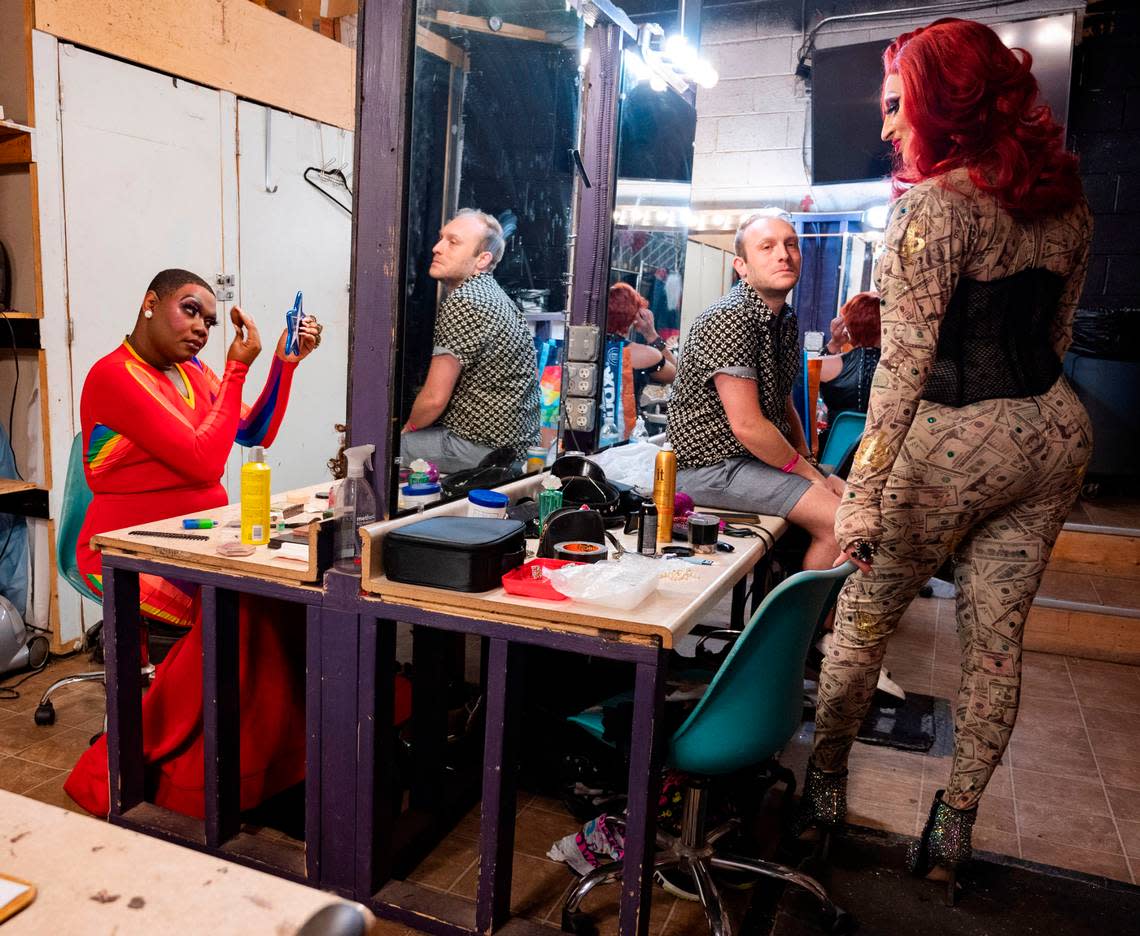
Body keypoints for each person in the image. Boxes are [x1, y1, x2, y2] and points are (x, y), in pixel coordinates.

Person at [798, 18, 1092, 900]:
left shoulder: (931, 207)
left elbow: (904, 373)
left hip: (955, 438)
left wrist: (860, 500)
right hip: (1056, 432)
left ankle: (822, 796)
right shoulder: (1068, 208)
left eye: (897, 105)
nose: (888, 126)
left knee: (859, 620)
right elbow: (1056, 336)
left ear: (942, 104)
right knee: (996, 652)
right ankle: (953, 831)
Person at [65, 268, 323, 818]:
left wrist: (283, 362)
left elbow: (251, 431)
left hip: (195, 538)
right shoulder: (113, 375)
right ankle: (182, 764)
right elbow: (208, 458)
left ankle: (266, 759)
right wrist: (235, 369)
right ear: (150, 303)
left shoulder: (192, 372)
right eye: (190, 310)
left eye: (210, 319)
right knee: (238, 605)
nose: (202, 327)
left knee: (276, 596)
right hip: (126, 550)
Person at [667, 215, 845, 571]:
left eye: (790, 244)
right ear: (741, 266)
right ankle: (809, 626)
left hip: (754, 461)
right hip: (711, 468)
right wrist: (810, 476)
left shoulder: (784, 319)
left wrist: (808, 461)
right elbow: (747, 425)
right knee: (842, 523)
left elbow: (781, 403)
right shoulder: (730, 317)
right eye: (767, 247)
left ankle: (815, 616)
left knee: (856, 501)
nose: (784, 254)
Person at [401, 209, 541, 473]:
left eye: (452, 242)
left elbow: (433, 399)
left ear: (482, 259)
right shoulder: (495, 296)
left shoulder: (465, 302)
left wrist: (408, 430)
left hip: (483, 449)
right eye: (441, 238)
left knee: (382, 451)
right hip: (515, 447)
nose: (436, 248)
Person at [605, 282, 677, 438]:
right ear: (634, 317)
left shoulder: (588, 346)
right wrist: (651, 334)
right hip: (627, 436)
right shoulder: (644, 355)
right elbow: (679, 376)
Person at [819, 291, 882, 428]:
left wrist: (834, 344)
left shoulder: (823, 366)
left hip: (835, 446)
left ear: (849, 325)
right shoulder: (903, 368)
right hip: (880, 445)